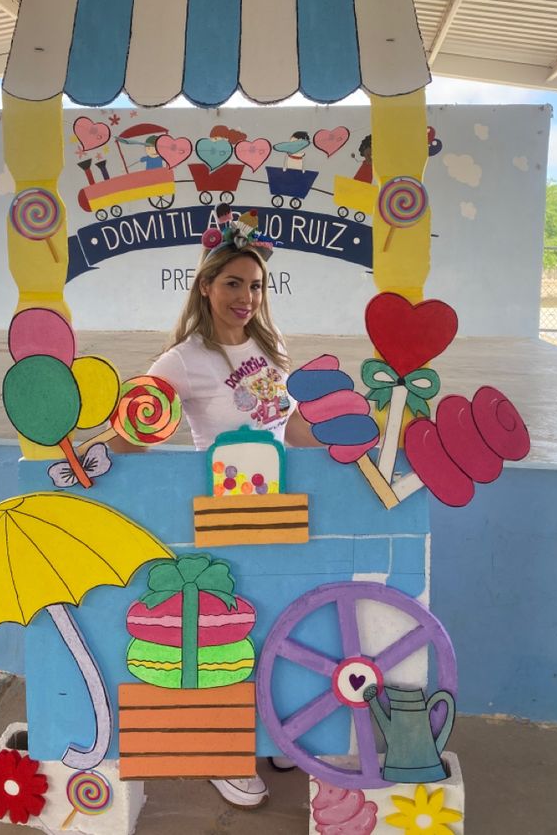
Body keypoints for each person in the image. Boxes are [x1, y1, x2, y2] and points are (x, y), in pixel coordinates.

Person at [138, 212, 316, 808]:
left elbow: (287, 426)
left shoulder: (271, 345)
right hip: (221, 514)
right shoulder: (183, 359)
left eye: (256, 285)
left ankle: (271, 731)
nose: (247, 297)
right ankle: (222, 752)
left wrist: (351, 439)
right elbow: (138, 423)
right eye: (234, 284)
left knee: (277, 621)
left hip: (278, 506)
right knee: (221, 634)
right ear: (206, 288)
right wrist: (88, 458)